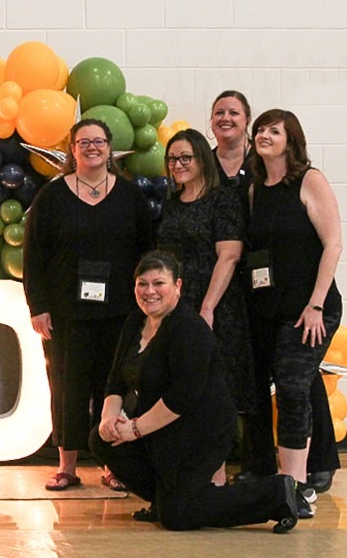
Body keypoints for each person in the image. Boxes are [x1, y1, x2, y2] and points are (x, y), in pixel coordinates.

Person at [89, 251, 300, 533]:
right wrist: (109, 419)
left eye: (158, 283)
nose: (149, 291)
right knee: (101, 440)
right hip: (160, 427)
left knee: (178, 518)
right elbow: (116, 380)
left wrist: (136, 429)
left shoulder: (189, 328)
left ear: (178, 286)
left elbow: (183, 396)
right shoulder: (133, 324)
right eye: (142, 283)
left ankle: (275, 494)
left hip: (201, 431)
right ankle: (165, 500)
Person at [23, 118, 155, 492]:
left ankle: (112, 465)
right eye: (84, 142)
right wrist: (38, 306)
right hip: (66, 315)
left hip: (122, 314)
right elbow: (34, 256)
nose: (92, 147)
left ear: (110, 148)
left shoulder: (131, 197)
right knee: (67, 388)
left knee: (112, 389)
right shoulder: (51, 197)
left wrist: (147, 308)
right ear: (72, 149)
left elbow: (148, 252)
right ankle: (67, 467)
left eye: (99, 141)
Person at [246, 109, 342, 518]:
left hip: (309, 310)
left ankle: (298, 486)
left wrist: (316, 303)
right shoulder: (254, 189)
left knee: (291, 387)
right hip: (269, 308)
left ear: (292, 139)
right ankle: (287, 480)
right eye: (260, 130)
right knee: (282, 388)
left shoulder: (310, 180)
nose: (264, 135)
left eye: (274, 130)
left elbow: (333, 244)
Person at [156, 129, 254, 484]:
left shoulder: (222, 199)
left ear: (201, 159)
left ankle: (215, 480)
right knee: (181, 390)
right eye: (172, 159)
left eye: (185, 157)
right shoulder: (171, 202)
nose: (178, 164)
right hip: (176, 309)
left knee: (213, 394)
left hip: (214, 307)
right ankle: (186, 478)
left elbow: (229, 256)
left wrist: (208, 308)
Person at [209, 90, 253, 194]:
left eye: (234, 113)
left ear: (248, 120)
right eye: (219, 113)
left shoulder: (263, 158)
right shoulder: (204, 164)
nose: (225, 118)